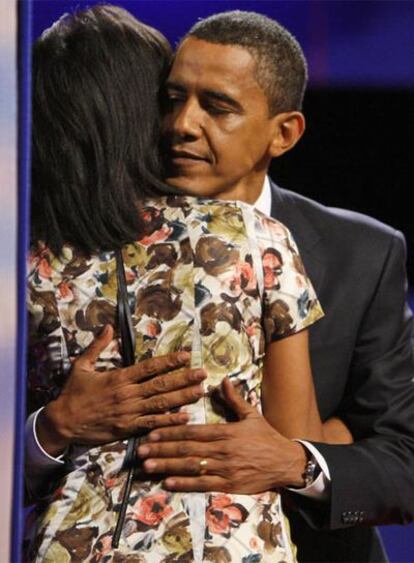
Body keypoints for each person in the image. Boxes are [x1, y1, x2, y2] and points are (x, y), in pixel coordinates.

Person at [26, 7, 414, 563]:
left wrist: (298, 462)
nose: (182, 124)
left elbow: (402, 460)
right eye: (172, 98)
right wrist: (53, 427)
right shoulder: (66, 248)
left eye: (217, 106)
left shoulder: (363, 252)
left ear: (284, 132)